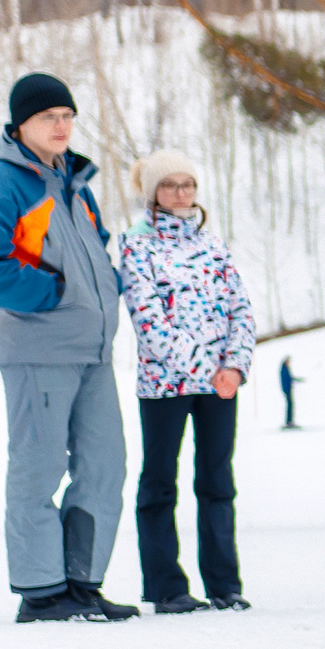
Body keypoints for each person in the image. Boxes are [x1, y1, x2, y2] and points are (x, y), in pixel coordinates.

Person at [0, 73, 135, 622]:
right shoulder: (5, 183)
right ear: (20, 126)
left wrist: (106, 285)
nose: (60, 126)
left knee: (106, 464)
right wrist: (53, 293)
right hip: (38, 348)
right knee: (38, 467)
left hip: (92, 350)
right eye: (46, 118)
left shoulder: (73, 183)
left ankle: (81, 583)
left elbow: (94, 250)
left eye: (66, 116)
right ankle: (42, 591)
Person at [118, 151, 257, 613]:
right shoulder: (137, 247)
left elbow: (240, 308)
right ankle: (166, 587)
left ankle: (224, 584)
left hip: (220, 386)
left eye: (188, 184)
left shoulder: (213, 246)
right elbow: (149, 323)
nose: (181, 193)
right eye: (170, 185)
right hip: (166, 385)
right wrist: (206, 370)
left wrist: (234, 367)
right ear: (153, 192)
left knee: (217, 480)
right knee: (160, 481)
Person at [278, 356, 302, 428]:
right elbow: (287, 379)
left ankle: (290, 421)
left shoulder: (286, 369)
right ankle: (289, 422)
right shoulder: (284, 369)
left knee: (290, 405)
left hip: (288, 389)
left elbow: (290, 378)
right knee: (290, 405)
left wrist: (298, 380)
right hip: (287, 389)